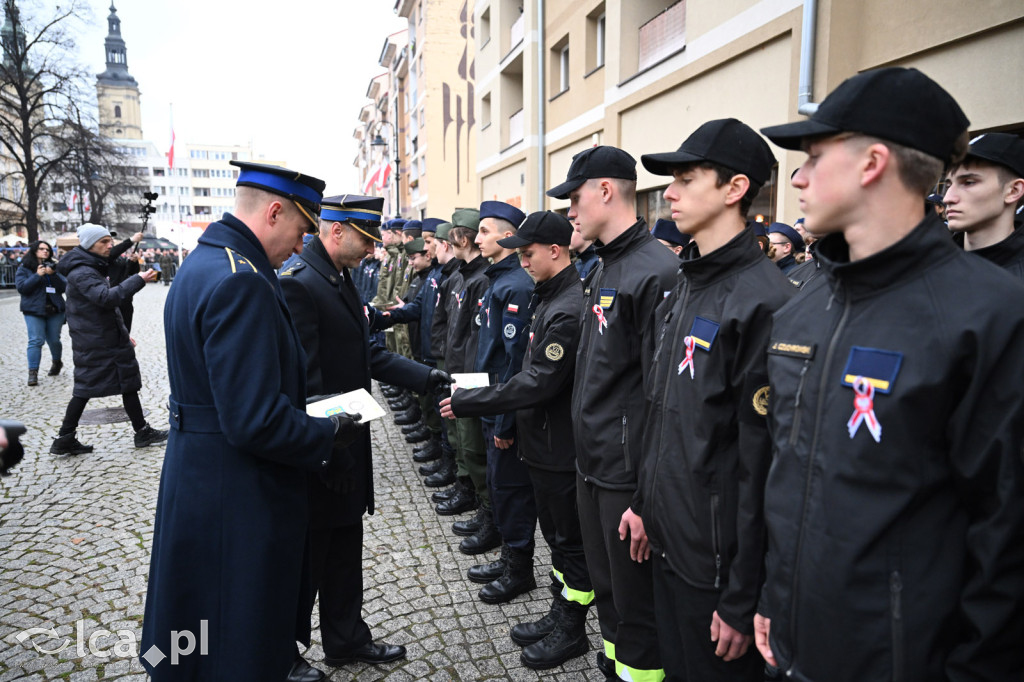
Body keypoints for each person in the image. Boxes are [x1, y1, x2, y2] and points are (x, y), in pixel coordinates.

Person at [754, 67, 1024, 681]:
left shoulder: (988, 314)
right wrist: (773, 595)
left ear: (872, 163)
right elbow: (791, 477)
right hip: (793, 644)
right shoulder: (804, 305)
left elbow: (1006, 533)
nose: (798, 177)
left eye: (814, 157)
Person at [141, 162, 363, 682]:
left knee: (198, 612)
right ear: (274, 211)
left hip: (198, 471)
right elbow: (254, 420)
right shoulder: (242, 280)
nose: (301, 244)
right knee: (239, 625)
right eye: (302, 230)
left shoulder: (204, 262)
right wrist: (328, 433)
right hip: (236, 485)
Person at [637, 119, 794, 680]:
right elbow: (665, 411)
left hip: (716, 564)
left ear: (735, 188)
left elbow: (761, 464)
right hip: (668, 537)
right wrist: (643, 503)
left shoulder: (764, 301)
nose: (669, 194)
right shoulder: (686, 281)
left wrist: (741, 595)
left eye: (686, 179)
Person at [280, 194, 451, 678]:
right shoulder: (300, 283)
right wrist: (330, 454)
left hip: (347, 440)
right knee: (308, 558)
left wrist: (425, 377)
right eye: (367, 239)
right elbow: (307, 383)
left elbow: (366, 354)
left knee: (343, 548)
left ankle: (346, 638)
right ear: (336, 231)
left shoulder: (338, 276)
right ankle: (282, 654)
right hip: (324, 448)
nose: (374, 249)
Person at [547, 145, 679, 681]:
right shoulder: (605, 263)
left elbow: (660, 395)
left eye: (574, 199)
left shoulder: (658, 270)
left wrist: (645, 495)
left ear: (605, 190)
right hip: (594, 463)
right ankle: (614, 665)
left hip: (626, 475)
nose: (570, 213)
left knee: (635, 604)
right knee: (608, 593)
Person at [441, 210, 593, 669]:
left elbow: (537, 381)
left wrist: (473, 401)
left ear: (555, 251)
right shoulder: (550, 295)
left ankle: (572, 627)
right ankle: (561, 609)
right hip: (542, 440)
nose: (523, 262)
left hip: (558, 446)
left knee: (568, 542)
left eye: (528, 254)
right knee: (557, 538)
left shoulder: (566, 307)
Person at [458, 200, 536, 602]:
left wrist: (505, 421)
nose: (477, 238)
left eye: (485, 231)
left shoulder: (516, 285)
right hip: (492, 404)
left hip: (504, 409)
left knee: (511, 490)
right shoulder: (499, 280)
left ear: (508, 236)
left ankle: (519, 569)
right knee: (499, 486)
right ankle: (509, 557)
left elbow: (514, 363)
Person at [50, 225, 166, 455]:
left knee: (125, 382)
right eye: (103, 241)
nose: (109, 245)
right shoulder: (83, 271)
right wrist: (138, 279)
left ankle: (141, 431)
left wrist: (123, 333)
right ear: (89, 244)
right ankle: (65, 438)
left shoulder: (91, 266)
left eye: (109, 241)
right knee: (86, 388)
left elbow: (103, 309)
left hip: (103, 337)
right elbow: (106, 298)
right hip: (96, 340)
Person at [943, 132, 1024, 278]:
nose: (947, 198)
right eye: (948, 185)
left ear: (1013, 191)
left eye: (969, 183)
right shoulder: (929, 267)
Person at [16, 240, 66, 385]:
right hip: (33, 310)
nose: (45, 251)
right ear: (34, 251)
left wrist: (53, 275)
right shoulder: (24, 268)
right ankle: (33, 373)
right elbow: (22, 288)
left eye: (47, 250)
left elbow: (65, 287)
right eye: (41, 249)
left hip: (54, 309)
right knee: (35, 340)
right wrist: (37, 275)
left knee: (54, 340)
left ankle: (57, 362)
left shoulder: (54, 267)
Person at [106, 230, 145, 332]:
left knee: (125, 331)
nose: (110, 243)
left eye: (111, 240)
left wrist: (133, 262)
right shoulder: (103, 257)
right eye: (106, 241)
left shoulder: (119, 258)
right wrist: (131, 240)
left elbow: (132, 272)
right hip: (112, 299)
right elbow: (111, 254)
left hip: (125, 300)